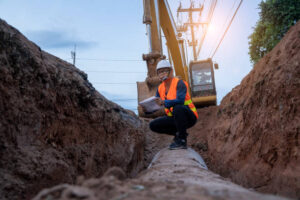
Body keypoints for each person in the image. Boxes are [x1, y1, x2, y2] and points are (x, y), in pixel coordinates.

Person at [149, 60, 198, 150]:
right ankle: (178, 133)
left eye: (165, 71)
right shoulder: (160, 88)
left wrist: (164, 102)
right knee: (153, 125)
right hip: (174, 118)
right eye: (160, 72)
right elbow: (157, 104)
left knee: (178, 107)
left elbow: (180, 100)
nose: (162, 74)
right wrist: (148, 109)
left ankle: (182, 140)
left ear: (171, 71)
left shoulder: (179, 83)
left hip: (188, 117)